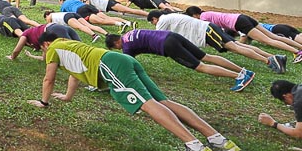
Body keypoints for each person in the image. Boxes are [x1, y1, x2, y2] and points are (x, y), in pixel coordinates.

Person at [32, 33, 240, 151]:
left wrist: (44, 102)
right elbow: (76, 72)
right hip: (123, 60)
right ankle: (218, 141)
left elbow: (48, 78)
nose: (44, 53)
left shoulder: (52, 49)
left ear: (46, 44)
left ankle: (195, 147)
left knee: (147, 104)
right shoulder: (70, 45)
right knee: (164, 102)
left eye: (42, 49)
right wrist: (68, 96)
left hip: (110, 65)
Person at [106, 31, 255, 92]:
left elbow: (128, 64)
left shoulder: (126, 46)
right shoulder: (130, 34)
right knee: (206, 56)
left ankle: (240, 77)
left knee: (200, 67)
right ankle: (243, 71)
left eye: (116, 48)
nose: (119, 49)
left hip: (167, 46)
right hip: (172, 36)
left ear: (116, 43)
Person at [148, 10, 287, 73]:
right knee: (237, 45)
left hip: (207, 32)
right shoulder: (172, 16)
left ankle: (270, 61)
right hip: (209, 28)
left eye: (153, 22)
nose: (154, 24)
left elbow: (156, 36)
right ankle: (273, 57)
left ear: (155, 19)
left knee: (236, 48)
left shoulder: (163, 21)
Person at [185, 6, 302, 61]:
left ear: (195, 15)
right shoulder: (209, 13)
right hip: (243, 17)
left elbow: (213, 30)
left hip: (239, 23)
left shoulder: (203, 17)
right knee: (273, 36)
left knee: (267, 40)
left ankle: (298, 52)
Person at [7, 23, 80, 60]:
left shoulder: (24, 35)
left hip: (52, 29)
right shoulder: (43, 42)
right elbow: (44, 58)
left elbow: (17, 50)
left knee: (72, 51)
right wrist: (31, 55)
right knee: (81, 49)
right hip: (59, 27)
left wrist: (12, 57)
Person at [59, 0, 131, 29]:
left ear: (61, 1)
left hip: (80, 11)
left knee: (100, 21)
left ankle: (119, 24)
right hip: (88, 6)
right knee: (106, 17)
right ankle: (127, 22)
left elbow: (64, 16)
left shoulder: (63, 5)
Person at [75, 0, 149, 18]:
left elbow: (87, 4)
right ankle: (147, 14)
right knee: (128, 11)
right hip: (107, 7)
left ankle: (148, 14)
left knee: (130, 10)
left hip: (109, 4)